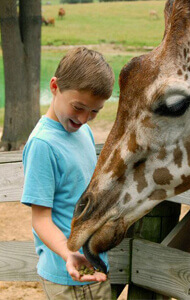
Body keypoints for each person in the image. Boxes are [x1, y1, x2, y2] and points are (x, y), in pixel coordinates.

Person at [21, 47, 115, 299]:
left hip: (92, 265)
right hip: (68, 275)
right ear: (54, 86)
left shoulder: (81, 131)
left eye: (95, 112)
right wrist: (68, 253)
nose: (84, 118)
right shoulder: (43, 145)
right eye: (78, 107)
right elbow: (40, 218)